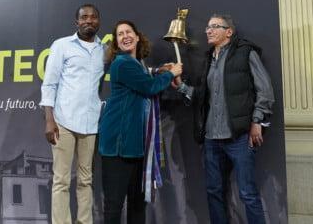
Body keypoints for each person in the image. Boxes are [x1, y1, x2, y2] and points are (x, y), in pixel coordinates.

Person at [175, 14, 275, 224]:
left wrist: (257, 121)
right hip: (212, 139)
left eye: (214, 27)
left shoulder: (246, 52)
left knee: (248, 193)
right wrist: (182, 87)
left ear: (228, 32)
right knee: (213, 192)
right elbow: (203, 97)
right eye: (207, 27)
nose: (207, 31)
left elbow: (265, 90)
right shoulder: (208, 59)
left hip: (239, 137)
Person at [98, 20, 182, 224]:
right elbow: (148, 87)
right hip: (117, 146)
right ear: (116, 43)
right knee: (114, 204)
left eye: (129, 32)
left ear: (137, 37)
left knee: (137, 203)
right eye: (120, 34)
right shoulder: (122, 63)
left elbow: (145, 76)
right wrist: (172, 72)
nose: (125, 36)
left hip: (134, 146)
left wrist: (159, 71)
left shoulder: (137, 64)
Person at [39, 4, 106, 224]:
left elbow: (127, 65)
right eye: (84, 17)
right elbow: (49, 84)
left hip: (90, 124)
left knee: (86, 180)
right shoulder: (62, 46)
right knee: (61, 181)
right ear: (76, 22)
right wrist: (49, 120)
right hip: (63, 122)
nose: (89, 20)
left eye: (93, 17)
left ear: (98, 21)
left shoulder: (104, 51)